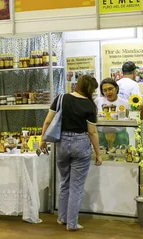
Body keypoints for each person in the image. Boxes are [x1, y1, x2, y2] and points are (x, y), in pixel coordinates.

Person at [40, 75, 102, 231]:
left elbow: (48, 121)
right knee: (77, 186)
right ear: (90, 89)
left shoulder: (61, 98)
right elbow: (92, 132)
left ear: (78, 84)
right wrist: (98, 154)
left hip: (61, 144)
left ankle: (62, 218)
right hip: (81, 144)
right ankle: (72, 223)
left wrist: (43, 140)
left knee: (64, 182)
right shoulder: (89, 105)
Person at [95, 78, 130, 151]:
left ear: (116, 88)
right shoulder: (98, 101)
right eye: (105, 90)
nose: (108, 92)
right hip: (101, 136)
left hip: (120, 136)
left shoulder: (125, 103)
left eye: (110, 89)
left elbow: (128, 119)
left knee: (119, 157)